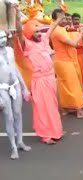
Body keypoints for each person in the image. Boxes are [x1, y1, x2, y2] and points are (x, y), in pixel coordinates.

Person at [16, 10, 64, 144]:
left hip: (50, 79)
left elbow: (52, 28)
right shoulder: (26, 44)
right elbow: (19, 32)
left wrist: (59, 18)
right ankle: (45, 135)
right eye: (35, 31)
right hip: (39, 81)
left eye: (39, 31)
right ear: (29, 33)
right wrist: (15, 14)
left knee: (52, 106)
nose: (39, 34)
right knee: (42, 108)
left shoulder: (43, 40)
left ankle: (55, 130)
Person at [50, 8, 83, 118]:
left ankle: (66, 108)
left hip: (61, 61)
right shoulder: (58, 31)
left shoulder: (58, 28)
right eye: (62, 18)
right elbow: (74, 43)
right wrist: (81, 32)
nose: (65, 20)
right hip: (64, 62)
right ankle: (79, 111)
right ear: (56, 19)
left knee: (64, 86)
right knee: (73, 85)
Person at [0, 29, 31, 159]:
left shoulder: (10, 51)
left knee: (18, 114)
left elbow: (16, 69)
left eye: (3, 37)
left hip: (15, 85)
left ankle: (20, 142)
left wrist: (24, 87)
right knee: (9, 117)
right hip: (2, 88)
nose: (2, 40)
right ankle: (13, 146)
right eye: (0, 38)